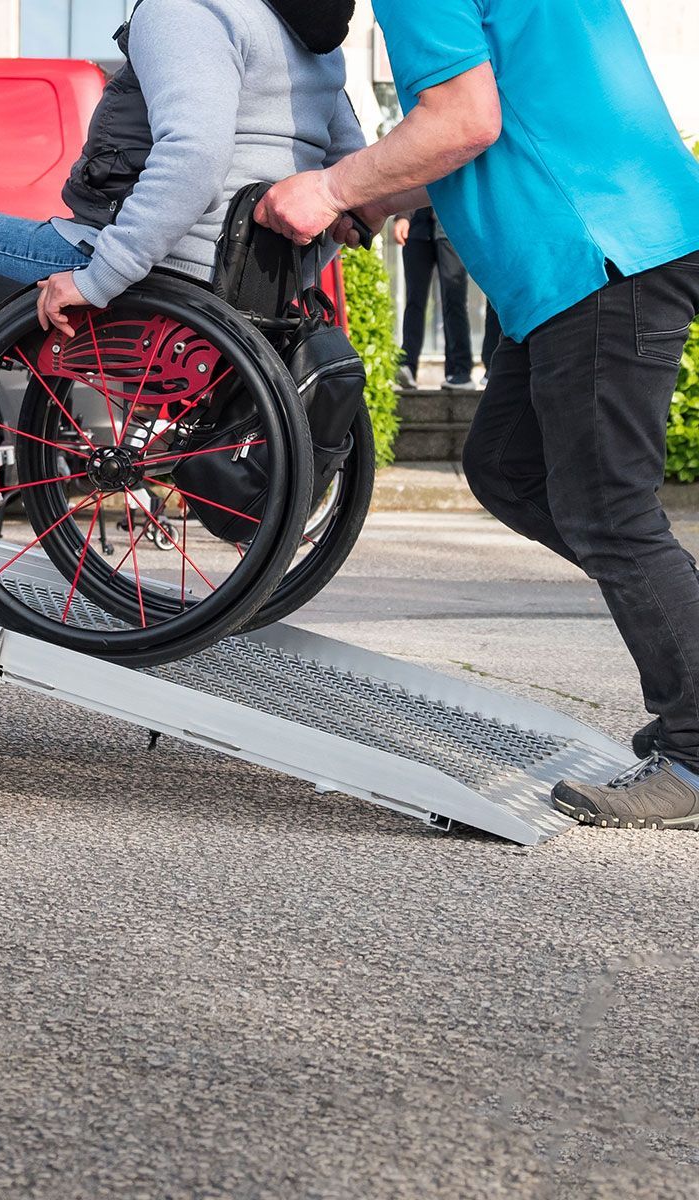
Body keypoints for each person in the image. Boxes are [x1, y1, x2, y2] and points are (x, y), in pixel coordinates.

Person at [257, 0, 699, 831]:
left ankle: (698, 749)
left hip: (594, 249)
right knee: (507, 469)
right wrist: (380, 197)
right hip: (596, 246)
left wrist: (329, 184)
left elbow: (463, 119)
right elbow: (495, 124)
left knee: (610, 511)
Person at [0, 0, 367, 509]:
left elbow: (193, 159)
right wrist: (292, 276)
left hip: (161, 273)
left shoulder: (188, 11)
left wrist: (97, 278)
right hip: (235, 290)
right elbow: (354, 187)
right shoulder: (313, 45)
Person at [393, 207, 475, 389]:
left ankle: (459, 371)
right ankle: (407, 365)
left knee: (454, 299)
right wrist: (402, 215)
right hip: (417, 226)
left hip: (450, 225)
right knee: (414, 300)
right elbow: (408, 178)